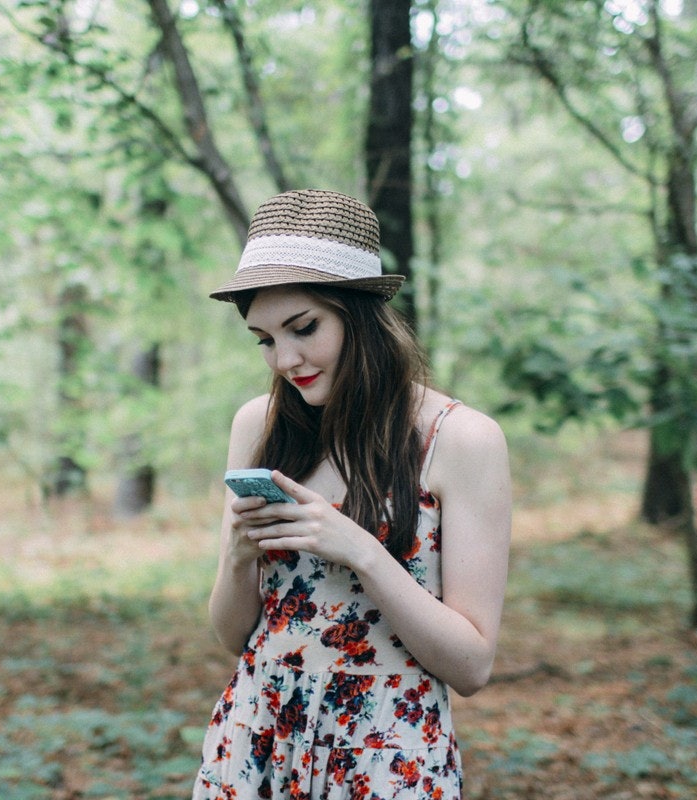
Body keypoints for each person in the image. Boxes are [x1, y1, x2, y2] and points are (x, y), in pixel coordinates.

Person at [193, 189, 512, 800]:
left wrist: (362, 552)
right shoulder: (258, 426)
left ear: (358, 313)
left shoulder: (462, 440)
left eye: (303, 328)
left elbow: (473, 666)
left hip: (386, 753)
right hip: (256, 739)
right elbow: (233, 635)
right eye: (264, 338)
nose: (284, 359)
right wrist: (237, 555)